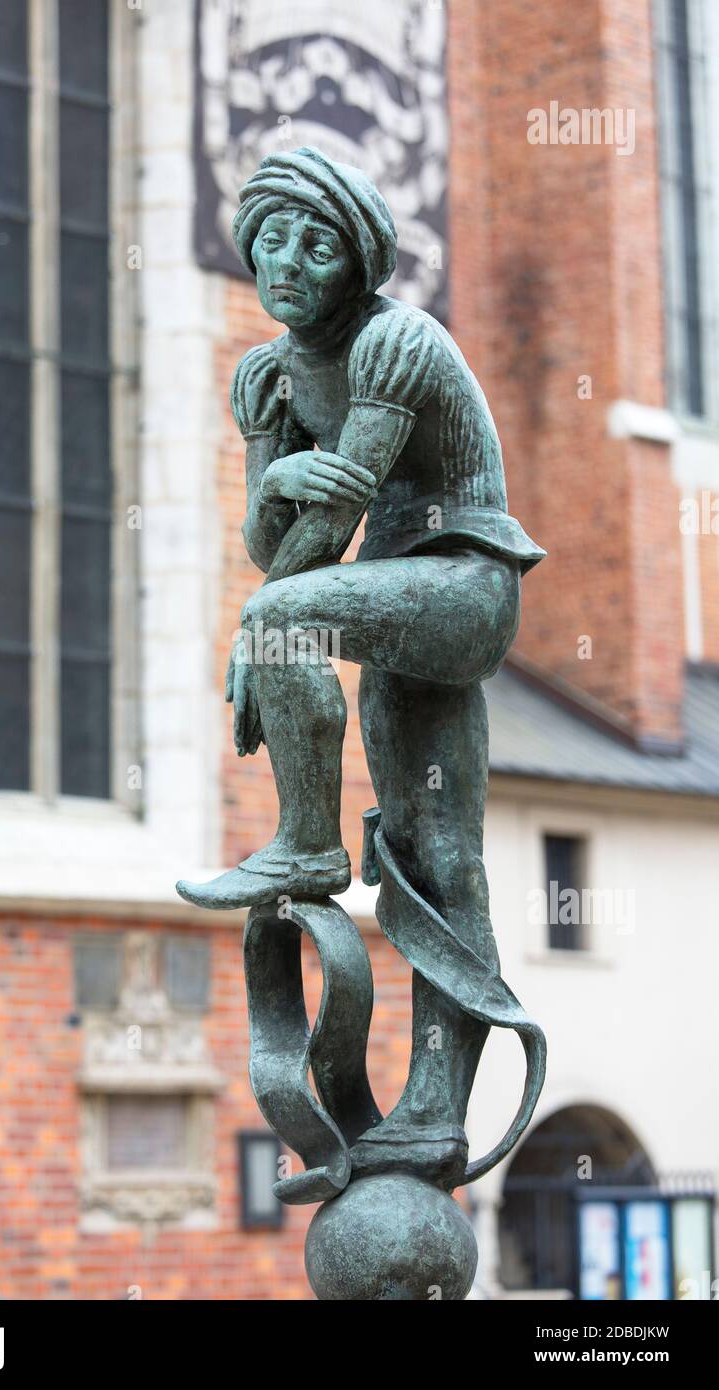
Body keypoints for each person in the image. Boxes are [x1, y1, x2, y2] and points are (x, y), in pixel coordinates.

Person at [177, 147, 545, 1183]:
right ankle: (428, 1113)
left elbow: (322, 533)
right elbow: (273, 544)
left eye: (317, 243)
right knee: (435, 849)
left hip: (462, 589)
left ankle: (304, 842)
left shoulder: (393, 344)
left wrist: (266, 624)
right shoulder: (267, 374)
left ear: (355, 265)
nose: (288, 260)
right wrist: (275, 482)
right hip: (390, 606)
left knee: (288, 620)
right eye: (273, 237)